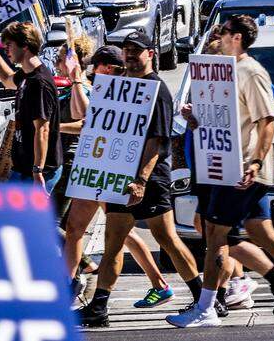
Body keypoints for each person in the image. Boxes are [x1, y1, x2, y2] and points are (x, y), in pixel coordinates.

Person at [169, 15, 274, 327]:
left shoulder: (251, 71)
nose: (219, 36)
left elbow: (267, 122)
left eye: (224, 32)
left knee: (216, 233)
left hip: (243, 168)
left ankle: (205, 308)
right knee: (261, 233)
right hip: (224, 165)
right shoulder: (222, 71)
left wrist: (256, 162)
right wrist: (195, 117)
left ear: (236, 37)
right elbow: (226, 117)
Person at [76, 30, 204, 328]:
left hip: (150, 180)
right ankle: (99, 307)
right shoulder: (121, 87)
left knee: (167, 239)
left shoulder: (157, 90)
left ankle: (205, 298)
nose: (131, 54)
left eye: (137, 50)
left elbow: (158, 141)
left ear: (151, 53)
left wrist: (142, 181)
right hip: (119, 176)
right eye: (127, 50)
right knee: (113, 242)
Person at [56, 44, 173, 309]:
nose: (92, 71)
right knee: (76, 228)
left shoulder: (120, 89)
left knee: (122, 233)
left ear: (107, 68)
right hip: (93, 166)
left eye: (96, 67)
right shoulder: (100, 86)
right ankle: (68, 285)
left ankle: (158, 284)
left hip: (113, 167)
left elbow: (87, 119)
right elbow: (81, 114)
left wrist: (76, 80)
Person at [0, 23, 62, 192]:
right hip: (21, 170)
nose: (6, 50)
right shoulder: (26, 75)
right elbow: (6, 79)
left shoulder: (39, 82)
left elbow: (42, 130)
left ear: (25, 46)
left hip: (38, 172)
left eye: (9, 45)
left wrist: (37, 171)